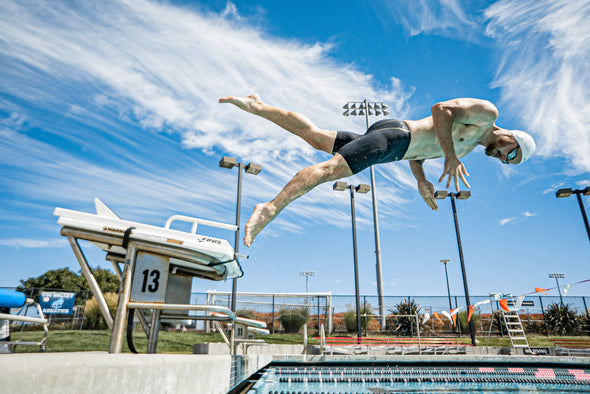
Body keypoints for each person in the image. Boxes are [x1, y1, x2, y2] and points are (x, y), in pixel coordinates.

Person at [219, 94, 536, 247]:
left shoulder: (468, 148)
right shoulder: (486, 114)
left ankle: (258, 106)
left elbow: (420, 152)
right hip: (395, 137)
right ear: (513, 139)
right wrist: (450, 156)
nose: (503, 160)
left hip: (396, 143)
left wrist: (421, 180)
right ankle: (270, 208)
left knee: (316, 137)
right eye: (511, 156)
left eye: (509, 163)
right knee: (331, 170)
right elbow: (441, 110)